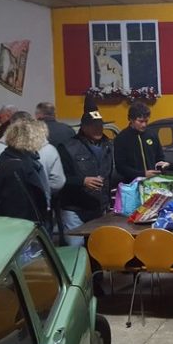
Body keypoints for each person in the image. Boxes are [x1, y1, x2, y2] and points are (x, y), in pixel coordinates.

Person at [57, 97, 114, 247]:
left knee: (99, 250)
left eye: (100, 125)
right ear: (83, 127)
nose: (98, 129)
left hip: (100, 208)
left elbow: (113, 173)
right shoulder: (67, 148)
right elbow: (59, 179)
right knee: (76, 251)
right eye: (93, 126)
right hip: (75, 210)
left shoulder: (109, 146)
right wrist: (82, 181)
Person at [0, 111, 66, 196]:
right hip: (39, 201)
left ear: (10, 126)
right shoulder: (49, 149)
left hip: (5, 201)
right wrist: (42, 192)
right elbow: (58, 182)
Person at [0, 119, 51, 230]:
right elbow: (17, 207)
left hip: (23, 224)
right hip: (24, 228)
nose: (43, 141)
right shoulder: (17, 166)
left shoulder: (9, 158)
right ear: (32, 139)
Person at [113, 102, 166, 183]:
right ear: (131, 120)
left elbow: (160, 157)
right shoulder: (122, 138)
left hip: (153, 182)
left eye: (146, 121)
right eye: (140, 121)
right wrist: (142, 174)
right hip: (132, 184)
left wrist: (161, 167)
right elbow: (121, 167)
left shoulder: (152, 135)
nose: (144, 125)